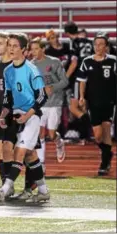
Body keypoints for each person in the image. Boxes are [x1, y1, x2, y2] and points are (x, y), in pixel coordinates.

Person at [0, 33, 50, 203]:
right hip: (15, 115)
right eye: (9, 45)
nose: (11, 48)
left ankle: (5, 188)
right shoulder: (8, 70)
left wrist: (27, 116)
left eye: (15, 46)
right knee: (28, 154)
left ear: (24, 50)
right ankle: (43, 191)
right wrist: (3, 114)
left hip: (31, 116)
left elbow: (41, 97)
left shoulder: (31, 69)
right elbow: (8, 98)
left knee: (20, 151)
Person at [77, 33, 116, 176]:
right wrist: (81, 97)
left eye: (101, 44)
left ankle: (104, 164)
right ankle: (108, 153)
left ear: (107, 47)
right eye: (96, 44)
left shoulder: (113, 61)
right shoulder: (87, 61)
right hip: (93, 103)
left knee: (106, 131)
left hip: (109, 102)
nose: (98, 47)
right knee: (98, 136)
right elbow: (82, 81)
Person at [30, 37, 68, 164]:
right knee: (40, 133)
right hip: (40, 104)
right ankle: (41, 162)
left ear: (43, 49)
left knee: (51, 134)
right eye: (32, 49)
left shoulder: (54, 62)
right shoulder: (31, 65)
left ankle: (59, 142)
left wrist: (52, 87)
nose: (33, 52)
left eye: (36, 49)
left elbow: (65, 81)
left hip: (55, 103)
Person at [0, 32, 14, 186]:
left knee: (21, 151)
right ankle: (5, 184)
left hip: (15, 110)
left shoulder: (17, 65)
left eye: (0, 43)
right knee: (1, 148)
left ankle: (32, 182)